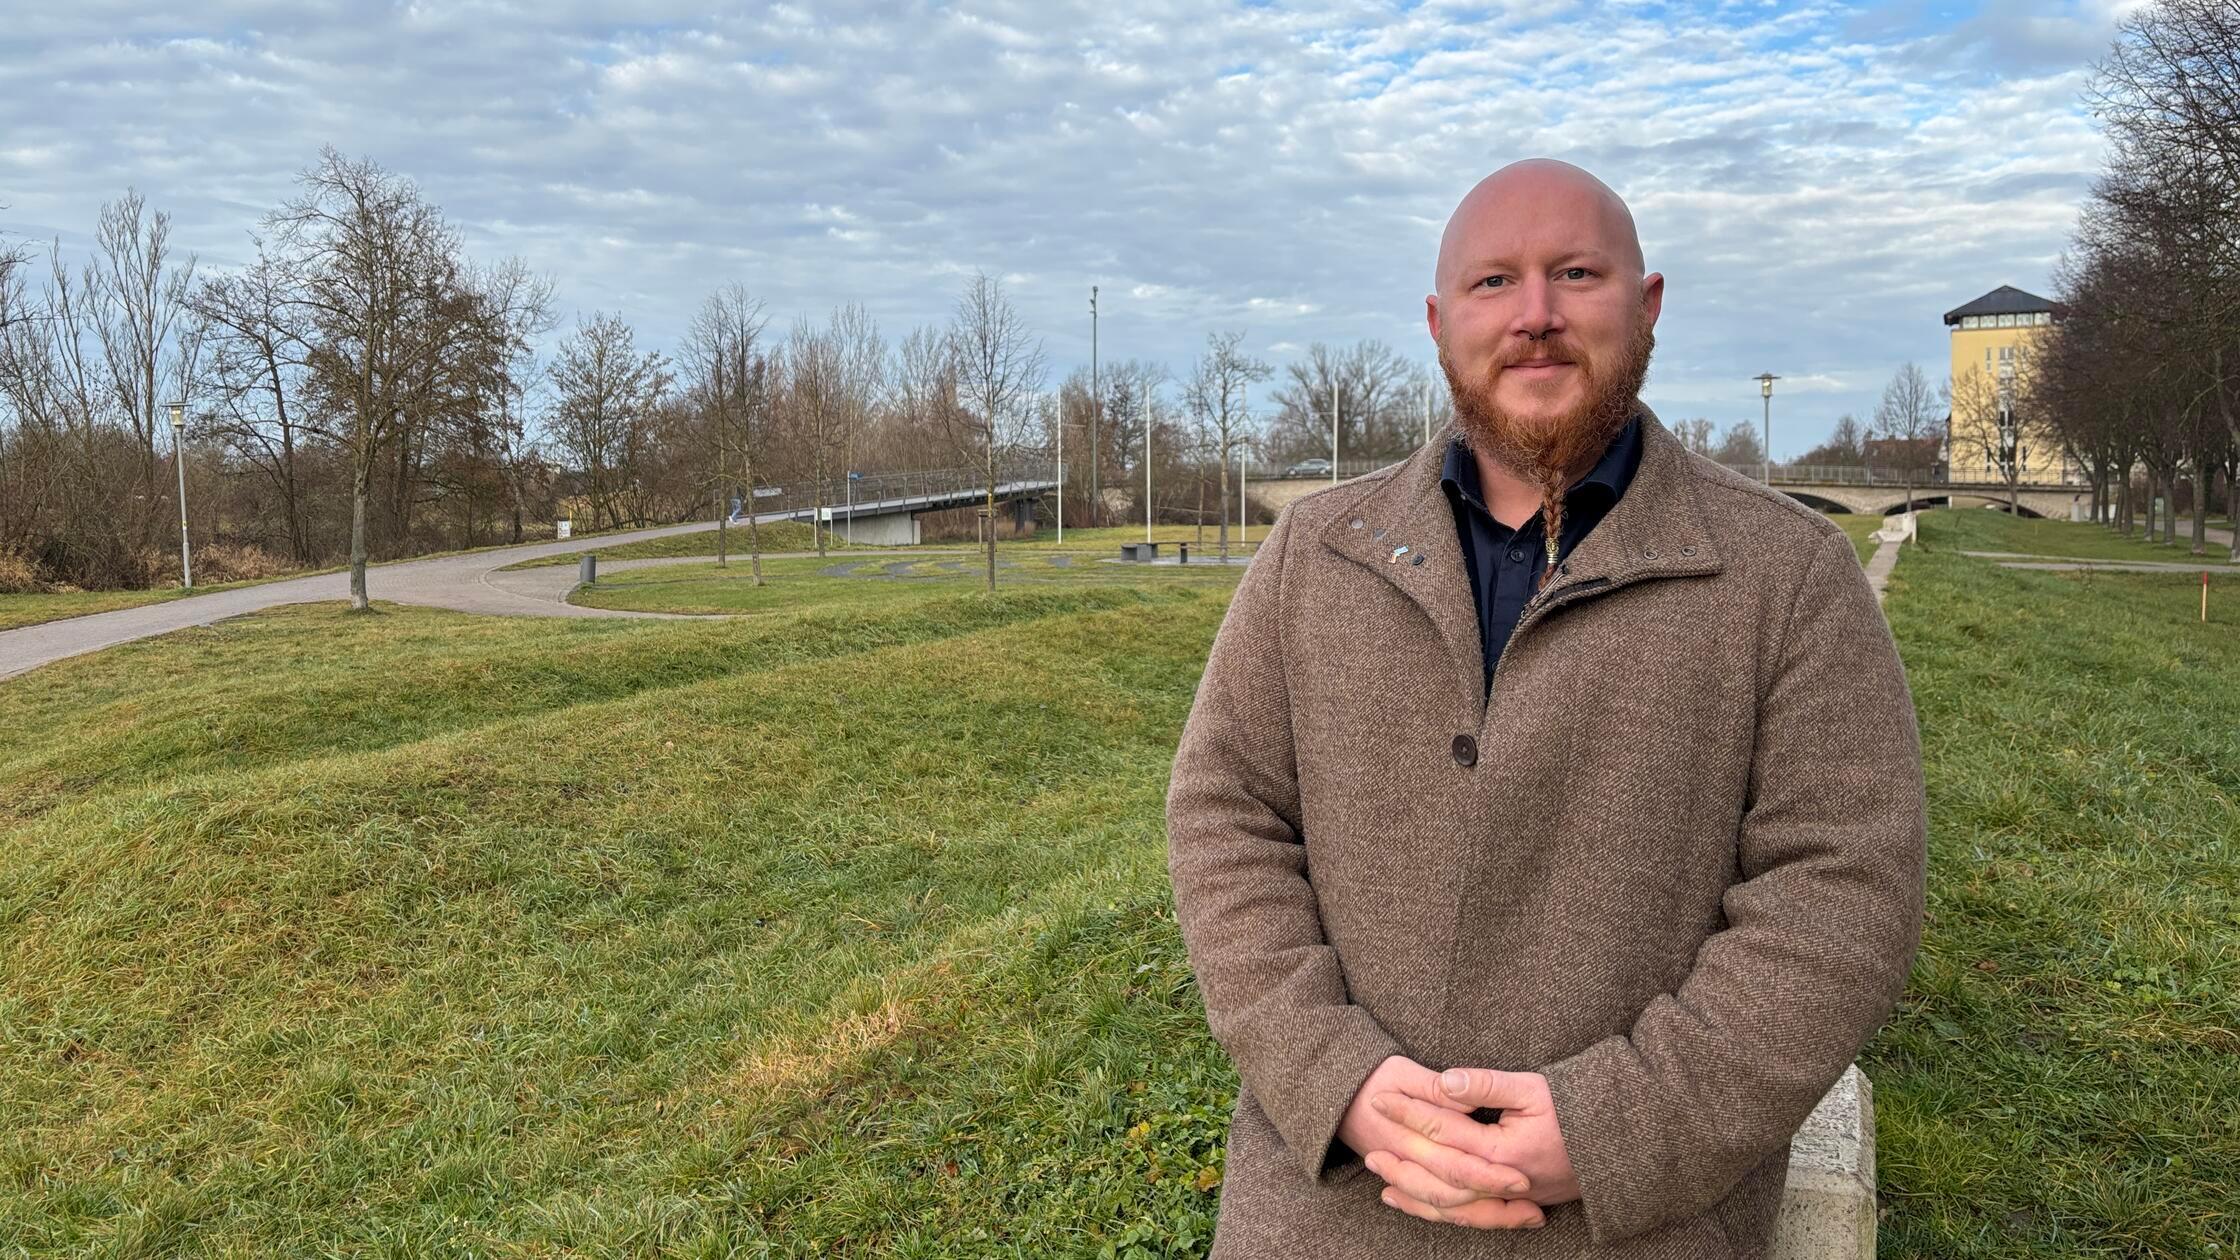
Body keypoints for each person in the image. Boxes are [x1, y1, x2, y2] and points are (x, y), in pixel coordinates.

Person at [1164, 159, 1926, 1256]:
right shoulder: (1311, 555)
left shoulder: (1789, 574)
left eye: (1573, 273)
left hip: (1641, 1224)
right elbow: (1223, 818)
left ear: (1645, 303)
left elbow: (1840, 894)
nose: (1533, 316)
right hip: (1322, 1209)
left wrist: (1614, 1127)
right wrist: (1333, 1074)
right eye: (1491, 283)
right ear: (1437, 322)